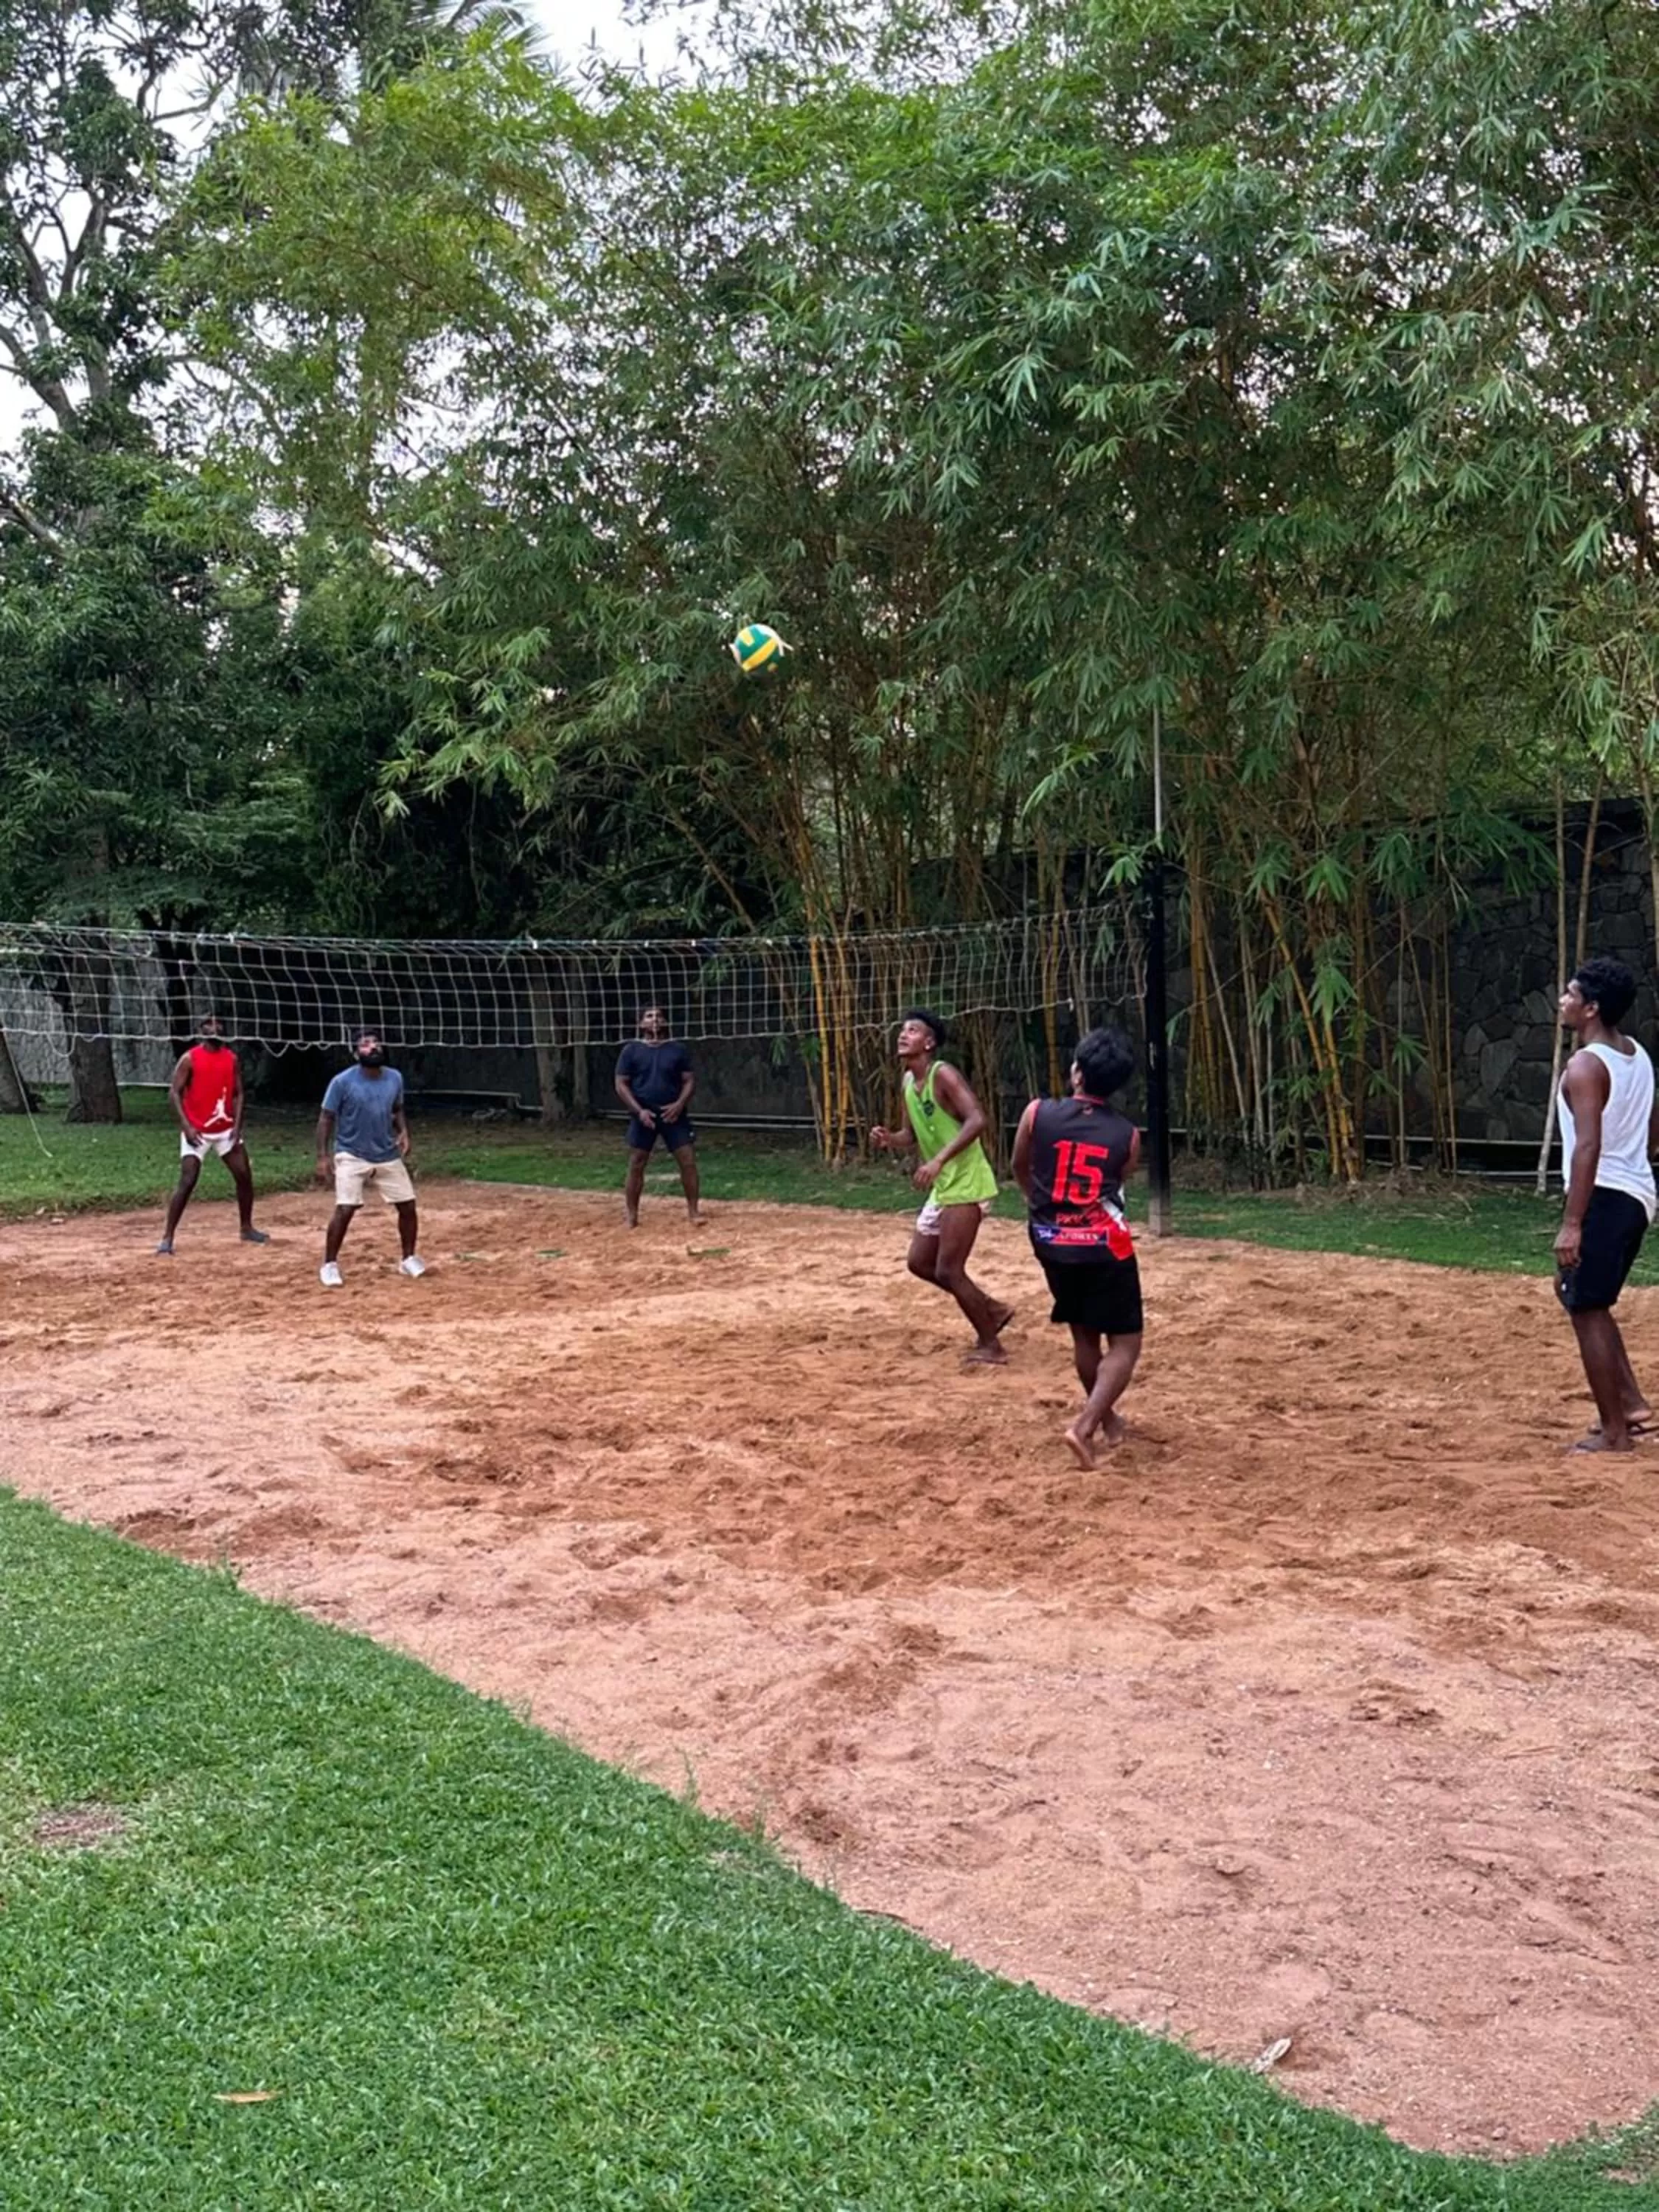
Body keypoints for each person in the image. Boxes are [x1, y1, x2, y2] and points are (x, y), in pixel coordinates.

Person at [1012, 1026, 1144, 1468]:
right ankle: (1085, 1427)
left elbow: (1019, 1165)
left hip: (1051, 1241)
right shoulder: (1127, 1135)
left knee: (1084, 1334)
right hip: (1105, 1246)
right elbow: (1117, 1181)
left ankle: (1109, 1422)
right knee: (1125, 1345)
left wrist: (1043, 1206)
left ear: (1077, 1073)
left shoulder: (1036, 1114)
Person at [1554, 956, 1657, 1453]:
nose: (1563, 1001)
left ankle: (1615, 1432)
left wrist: (1573, 1222)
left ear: (1591, 1007)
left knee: (1588, 1307)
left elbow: (1587, 1145)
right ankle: (1630, 1403)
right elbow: (1653, 1133)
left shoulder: (1585, 1065)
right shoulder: (1637, 1055)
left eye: (1571, 994)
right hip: (1637, 1196)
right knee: (1575, 1292)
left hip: (1605, 1195)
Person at [870, 1009, 1012, 1366]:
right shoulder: (908, 1082)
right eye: (902, 1030)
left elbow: (977, 1119)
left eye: (913, 1030)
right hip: (946, 1182)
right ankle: (991, 1309)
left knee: (949, 1269)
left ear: (929, 1042)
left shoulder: (943, 1074)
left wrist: (938, 1161)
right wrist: (890, 1139)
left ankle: (991, 1345)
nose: (903, 1035)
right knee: (919, 1262)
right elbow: (911, 1135)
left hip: (967, 1179)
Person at [315, 1030, 426, 1287]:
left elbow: (397, 1109)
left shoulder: (394, 1077)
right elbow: (326, 1117)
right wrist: (323, 1156)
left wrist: (403, 1132)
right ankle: (329, 1264)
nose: (373, 1047)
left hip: (386, 1152)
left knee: (408, 1206)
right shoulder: (342, 1082)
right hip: (351, 1153)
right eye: (365, 1045)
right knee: (346, 1208)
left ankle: (408, 1258)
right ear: (356, 1054)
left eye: (376, 1043)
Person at [155, 1013, 268, 1255]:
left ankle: (246, 1228)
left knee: (244, 1176)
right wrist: (186, 1126)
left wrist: (237, 1126)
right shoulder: (190, 1059)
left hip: (225, 1129)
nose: (215, 1026)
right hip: (198, 1130)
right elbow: (174, 1093)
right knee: (188, 1180)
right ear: (201, 1030)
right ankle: (167, 1237)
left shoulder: (231, 1059)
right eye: (209, 1023)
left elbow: (239, 1093)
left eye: (219, 1023)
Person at [614, 1006, 702, 1228]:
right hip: (644, 1114)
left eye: (659, 1016)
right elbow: (621, 1084)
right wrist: (639, 1111)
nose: (655, 1019)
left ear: (665, 1022)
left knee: (688, 1161)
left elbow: (689, 1080)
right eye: (649, 1016)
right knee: (637, 1163)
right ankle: (632, 1216)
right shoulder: (631, 1050)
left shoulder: (677, 1050)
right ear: (641, 1024)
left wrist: (679, 1104)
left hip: (674, 1114)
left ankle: (694, 1212)